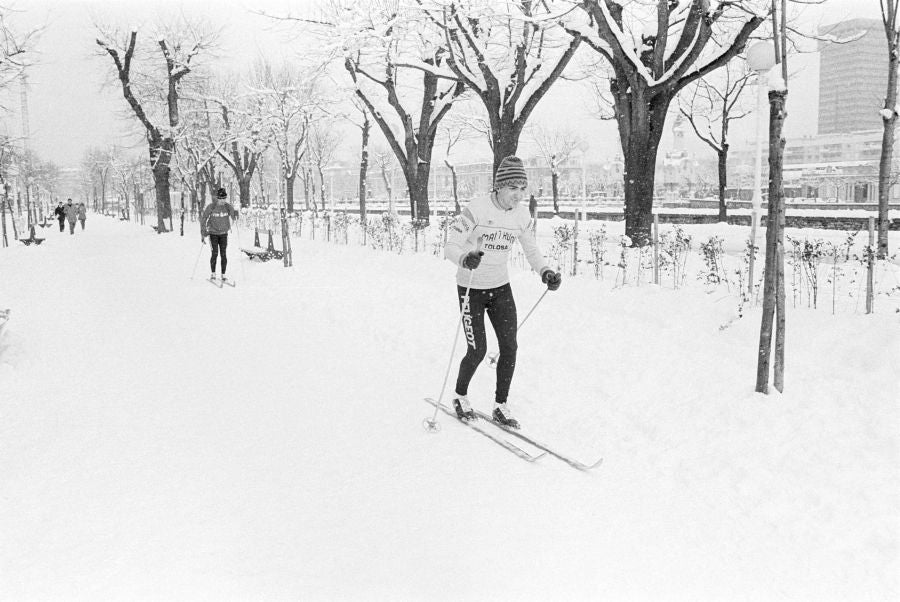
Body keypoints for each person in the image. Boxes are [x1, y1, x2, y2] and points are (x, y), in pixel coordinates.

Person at [443, 155, 562, 429]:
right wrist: (464, 258)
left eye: (523, 189)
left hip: (500, 288)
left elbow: (531, 249)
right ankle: (460, 396)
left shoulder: (521, 215)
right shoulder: (477, 208)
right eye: (513, 189)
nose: (518, 196)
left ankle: (500, 405)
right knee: (478, 350)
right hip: (471, 287)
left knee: (510, 347)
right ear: (499, 187)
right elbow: (451, 245)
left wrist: (545, 272)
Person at [200, 187, 239, 282]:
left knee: (223, 254)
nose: (223, 200)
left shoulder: (227, 207)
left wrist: (236, 214)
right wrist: (203, 231)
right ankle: (213, 274)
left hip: (223, 234)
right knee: (214, 253)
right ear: (217, 198)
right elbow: (204, 218)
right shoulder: (212, 207)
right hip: (213, 233)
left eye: (224, 198)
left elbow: (234, 217)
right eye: (221, 199)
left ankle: (223, 274)